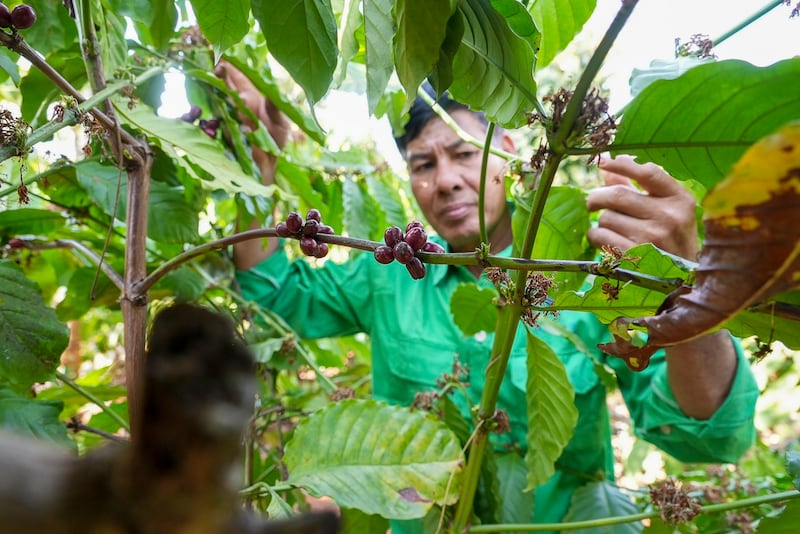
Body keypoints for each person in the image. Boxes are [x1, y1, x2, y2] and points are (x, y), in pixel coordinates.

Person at [219, 64, 759, 531]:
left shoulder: (594, 271)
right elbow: (278, 294)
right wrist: (255, 173)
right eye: (424, 164)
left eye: (462, 153)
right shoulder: (388, 277)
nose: (448, 180)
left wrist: (684, 291)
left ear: (507, 151)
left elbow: (710, 439)